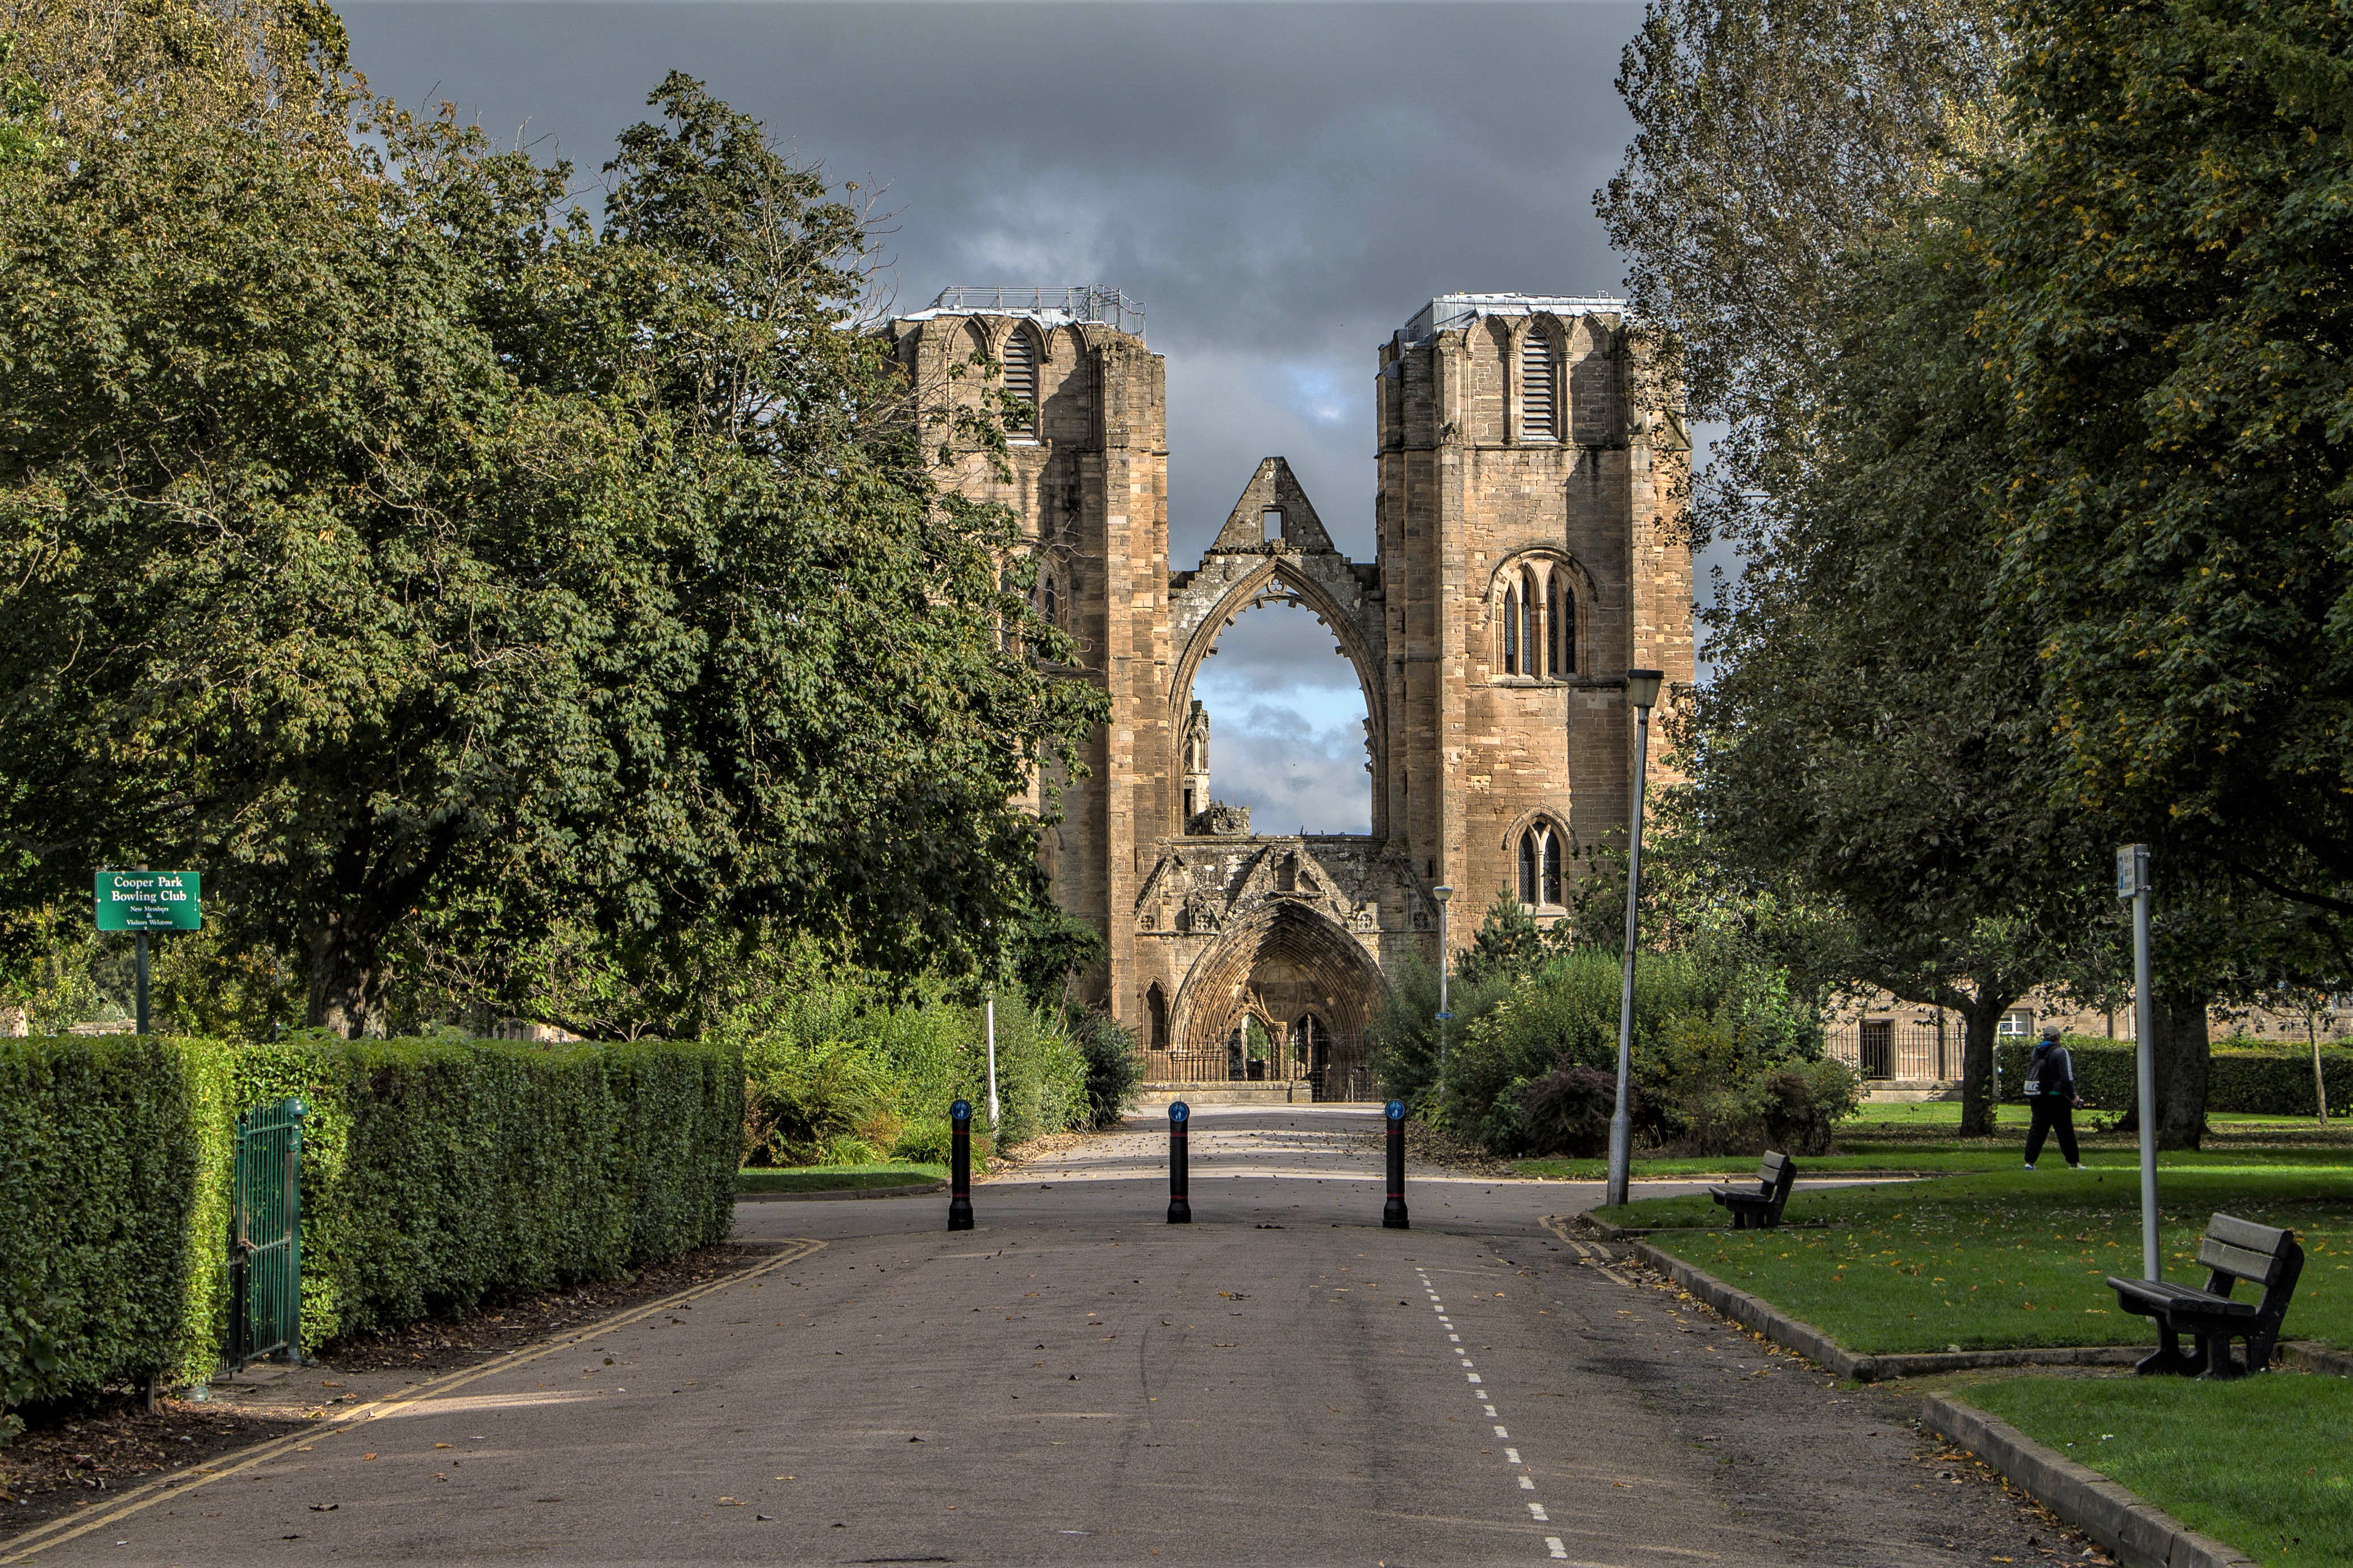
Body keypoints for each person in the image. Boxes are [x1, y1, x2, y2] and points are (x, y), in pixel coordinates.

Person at [2022, 1023, 2084, 1169]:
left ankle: (2029, 1162)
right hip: (2057, 1097)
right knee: (2065, 1131)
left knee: (2037, 1129)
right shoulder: (2061, 1052)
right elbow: (2067, 1079)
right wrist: (2073, 1097)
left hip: (2038, 1096)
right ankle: (2073, 1163)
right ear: (2058, 1038)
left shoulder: (2036, 1052)